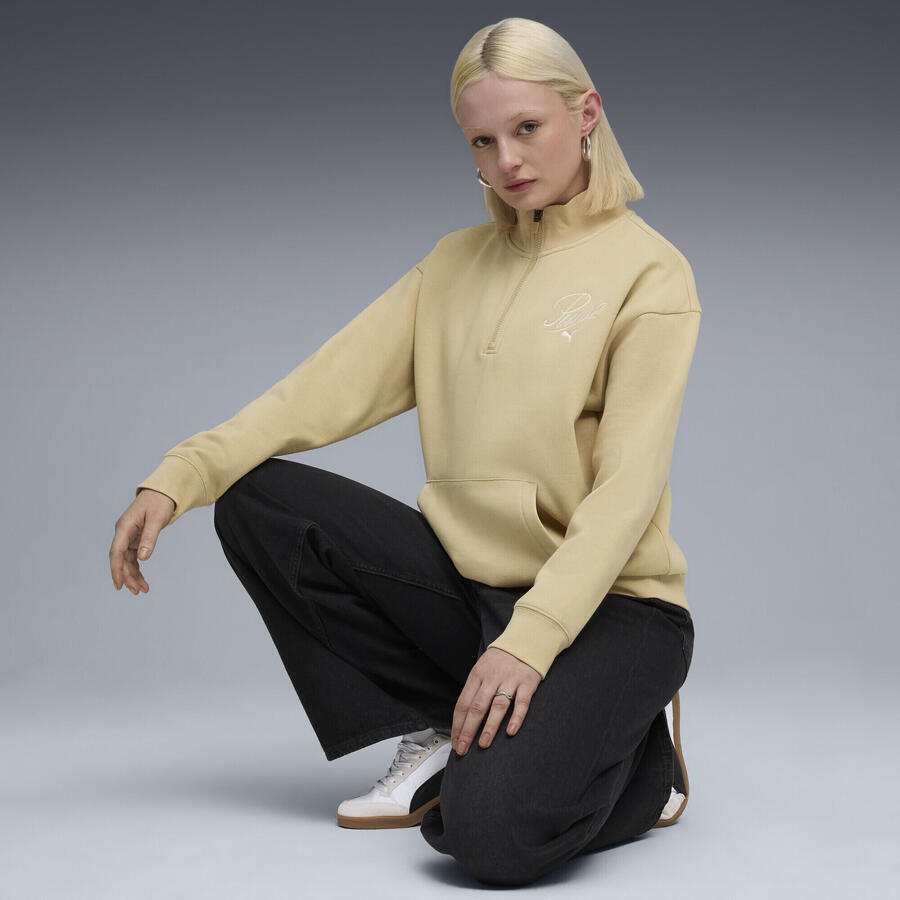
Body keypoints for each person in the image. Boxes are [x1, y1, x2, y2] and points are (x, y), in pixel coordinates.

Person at [109, 16, 700, 887]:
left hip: (609, 608)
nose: (507, 161)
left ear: (586, 114)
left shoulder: (650, 274)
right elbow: (316, 392)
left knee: (487, 837)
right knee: (257, 502)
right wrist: (179, 475)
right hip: (470, 591)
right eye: (483, 141)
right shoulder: (452, 265)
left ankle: (643, 765)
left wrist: (531, 640)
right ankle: (440, 719)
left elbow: (627, 489)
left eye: (527, 128)